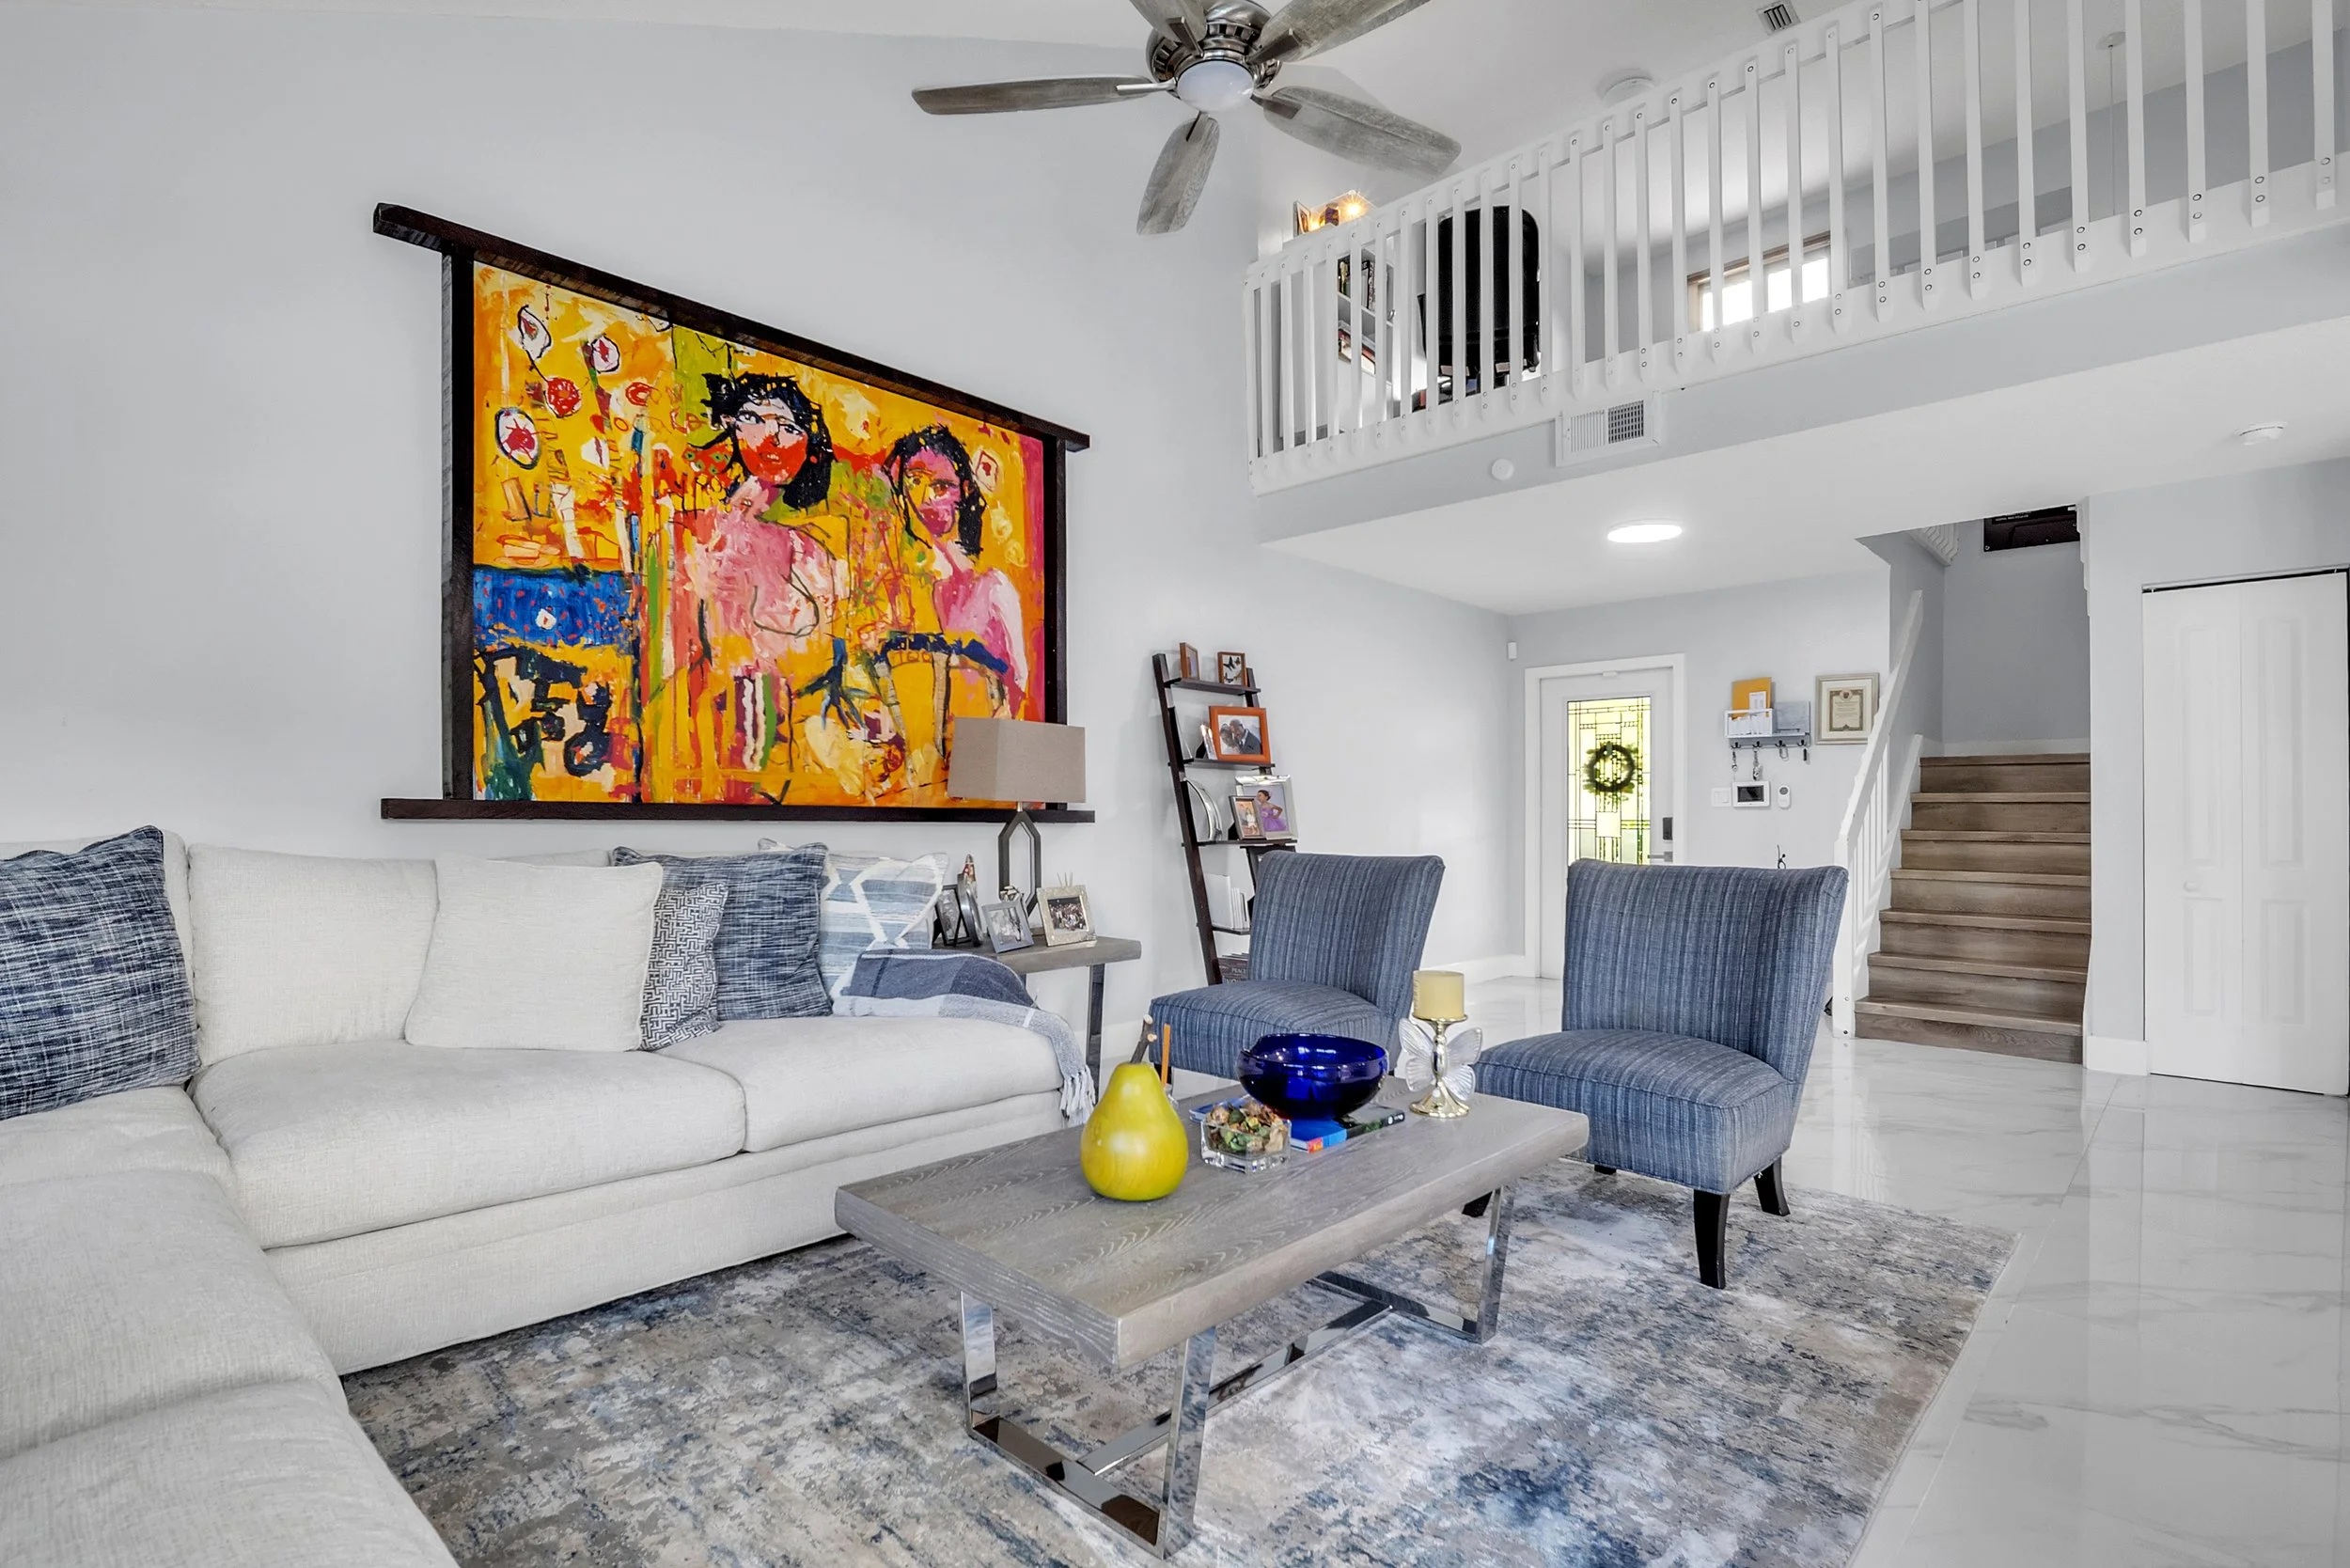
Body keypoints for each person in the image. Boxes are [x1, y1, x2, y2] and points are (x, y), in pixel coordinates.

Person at [680, 372, 849, 781]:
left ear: (810, 446)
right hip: (711, 724)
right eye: (754, 418)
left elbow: (818, 652)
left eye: (788, 428)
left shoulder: (815, 548)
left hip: (791, 733)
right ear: (732, 428)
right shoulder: (704, 531)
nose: (770, 439)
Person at [885, 425, 1027, 717]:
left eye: (940, 487)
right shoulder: (929, 587)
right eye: (914, 481)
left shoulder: (994, 586)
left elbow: (1019, 682)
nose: (924, 498)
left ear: (963, 491)